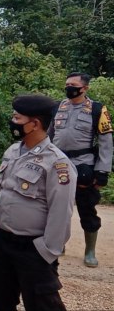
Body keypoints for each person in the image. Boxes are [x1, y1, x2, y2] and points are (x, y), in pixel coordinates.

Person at [0, 94, 76, 310]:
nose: (12, 122)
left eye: (17, 118)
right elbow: (1, 192)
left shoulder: (57, 163)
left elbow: (61, 213)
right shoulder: (13, 151)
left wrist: (45, 251)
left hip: (31, 249)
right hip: (1, 242)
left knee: (42, 303)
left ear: (34, 124)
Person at [48, 72, 112, 267]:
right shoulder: (58, 107)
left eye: (73, 84)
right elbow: (49, 135)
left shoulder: (97, 109)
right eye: (67, 84)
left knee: (87, 209)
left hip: (84, 165)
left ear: (85, 88)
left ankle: (90, 251)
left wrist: (102, 172)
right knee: (56, 208)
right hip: (59, 163)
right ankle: (58, 244)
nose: (69, 87)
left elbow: (106, 142)